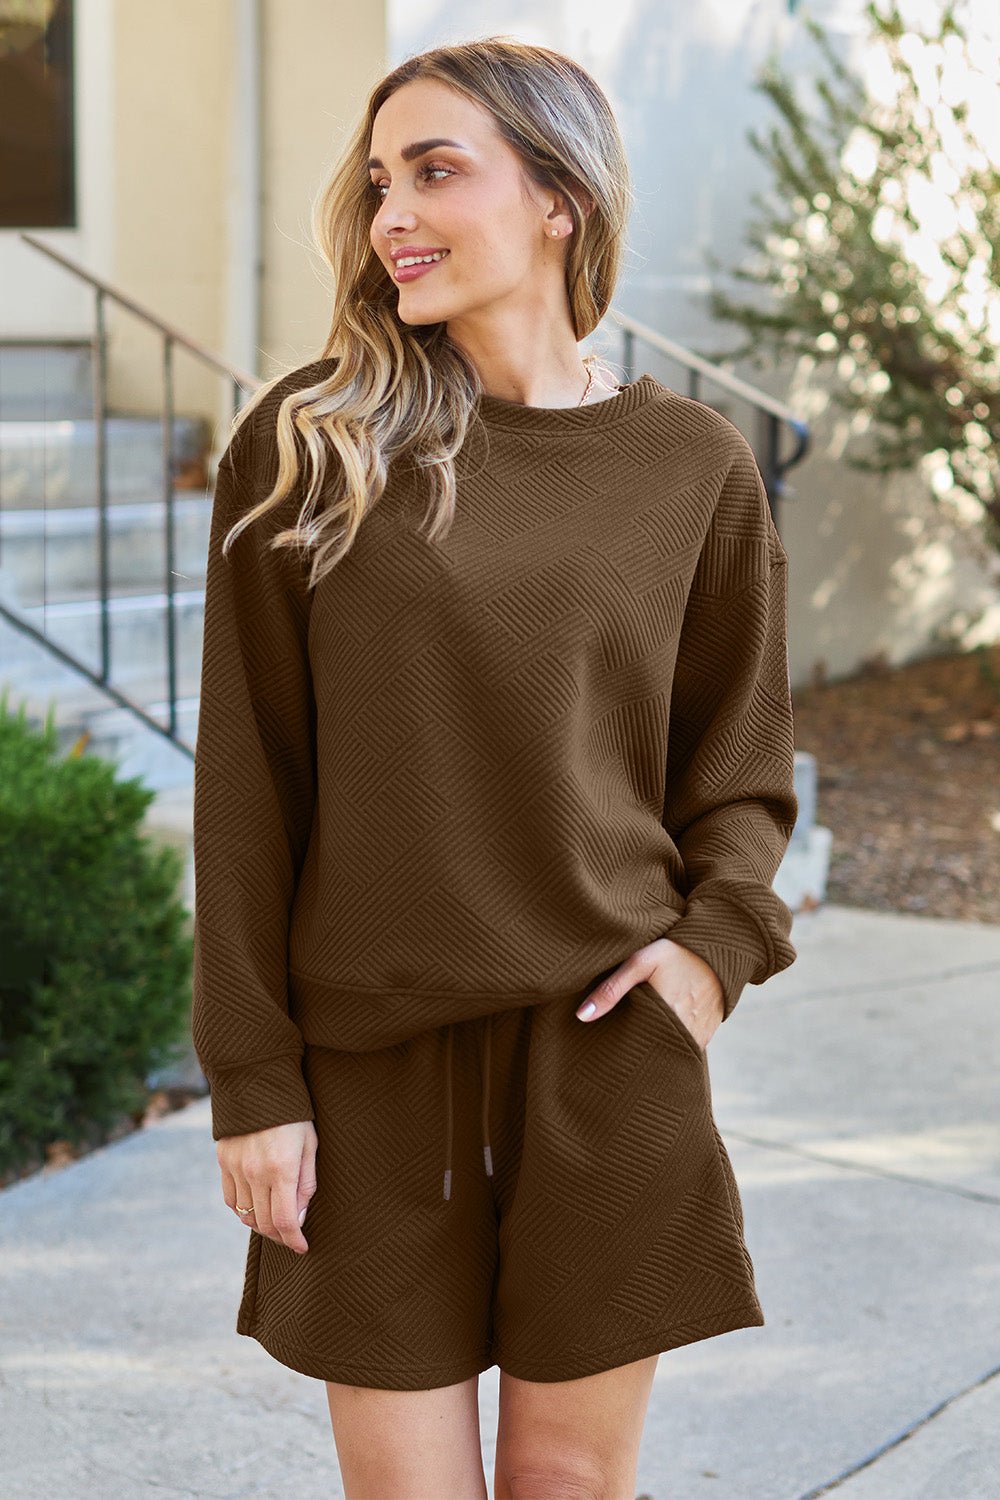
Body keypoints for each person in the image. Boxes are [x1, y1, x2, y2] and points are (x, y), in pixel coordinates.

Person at [191, 35, 799, 1500]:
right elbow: (247, 796)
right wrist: (253, 1079)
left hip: (606, 1054)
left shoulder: (694, 468)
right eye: (382, 177)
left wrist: (709, 961)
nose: (392, 211)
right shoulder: (309, 448)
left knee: (571, 1490)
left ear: (559, 200)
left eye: (439, 171)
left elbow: (741, 775)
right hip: (368, 1078)